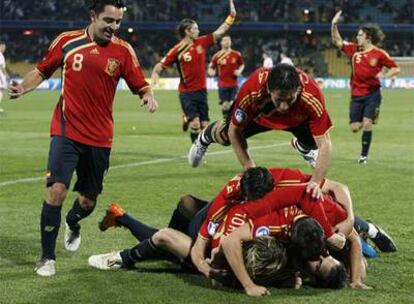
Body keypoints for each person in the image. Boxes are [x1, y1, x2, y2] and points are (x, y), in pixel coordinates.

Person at [8, 0, 158, 276]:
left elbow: (140, 82)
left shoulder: (123, 51)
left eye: (118, 22)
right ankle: (47, 257)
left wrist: (147, 95)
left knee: (88, 201)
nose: (114, 27)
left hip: (100, 137)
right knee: (56, 190)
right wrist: (22, 89)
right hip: (66, 130)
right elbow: (42, 70)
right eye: (108, 21)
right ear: (93, 16)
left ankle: (73, 221)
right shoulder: (67, 41)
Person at [188, 63, 333, 199]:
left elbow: (325, 143)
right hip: (260, 119)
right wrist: (250, 168)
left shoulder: (312, 95)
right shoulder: (252, 89)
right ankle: (204, 137)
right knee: (225, 136)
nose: (283, 107)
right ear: (269, 89)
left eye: (290, 100)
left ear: (298, 90)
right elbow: (234, 131)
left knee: (314, 141)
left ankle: (303, 147)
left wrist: (315, 182)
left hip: (297, 120)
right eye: (279, 99)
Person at [151, 0, 237, 143]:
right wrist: (155, 75)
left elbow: (220, 31)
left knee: (205, 125)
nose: (198, 30)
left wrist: (231, 17)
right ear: (188, 31)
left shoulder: (202, 42)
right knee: (195, 123)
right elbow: (159, 66)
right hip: (187, 92)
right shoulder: (177, 50)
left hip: (201, 91)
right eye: (195, 28)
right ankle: (195, 149)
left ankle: (191, 127)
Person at [331, 10, 400, 164]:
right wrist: (334, 24)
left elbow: (395, 68)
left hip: (373, 94)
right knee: (355, 127)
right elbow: (337, 41)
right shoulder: (354, 50)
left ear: (368, 37)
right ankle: (363, 120)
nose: (357, 37)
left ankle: (363, 157)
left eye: (360, 35)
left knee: (367, 124)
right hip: (356, 94)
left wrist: (385, 76)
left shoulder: (379, 54)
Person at [208, 35, 245, 120]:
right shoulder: (217, 56)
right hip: (222, 85)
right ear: (221, 43)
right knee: (225, 106)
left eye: (228, 40)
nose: (227, 42)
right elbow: (211, 67)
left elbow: (242, 64)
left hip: (234, 84)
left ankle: (231, 122)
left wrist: (239, 71)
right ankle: (226, 121)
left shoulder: (236, 54)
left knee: (232, 105)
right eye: (225, 40)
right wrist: (211, 72)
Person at [0, 41, 8, 113]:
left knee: (1, 91)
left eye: (4, 47)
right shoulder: (0, 55)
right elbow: (1, 67)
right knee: (1, 90)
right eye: (2, 47)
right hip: (1, 75)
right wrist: (6, 74)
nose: (4, 48)